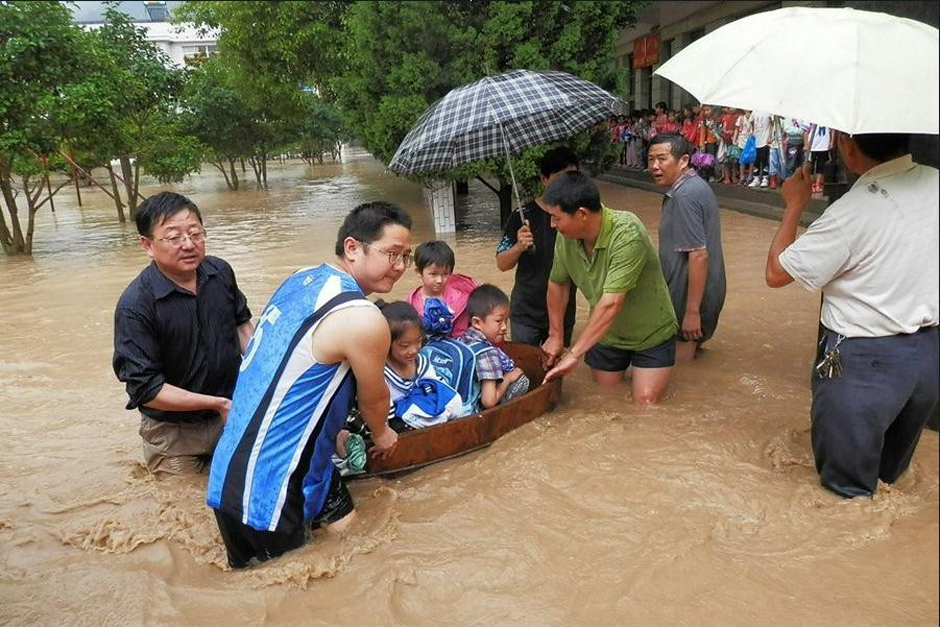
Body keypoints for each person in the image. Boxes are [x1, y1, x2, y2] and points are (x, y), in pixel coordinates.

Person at [206, 201, 410, 568]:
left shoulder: (302, 279)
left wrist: (337, 435)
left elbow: (289, 377)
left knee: (349, 533)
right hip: (268, 493)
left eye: (406, 257)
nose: (399, 268)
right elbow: (375, 399)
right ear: (352, 247)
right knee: (285, 594)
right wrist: (382, 435)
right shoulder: (363, 318)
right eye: (391, 254)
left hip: (232, 469)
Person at [765, 132, 938, 498]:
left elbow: (777, 274)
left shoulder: (852, 212)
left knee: (846, 498)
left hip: (863, 366)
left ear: (846, 143)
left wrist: (794, 204)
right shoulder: (935, 181)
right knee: (890, 479)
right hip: (926, 359)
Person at [112, 192, 253, 477]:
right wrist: (218, 403)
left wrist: (265, 376)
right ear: (148, 245)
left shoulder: (220, 272)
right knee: (185, 506)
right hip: (174, 434)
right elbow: (146, 389)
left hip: (233, 414)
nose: (189, 244)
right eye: (174, 237)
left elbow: (242, 326)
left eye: (195, 233)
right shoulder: (135, 306)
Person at [540, 172, 678, 403]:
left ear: (581, 214)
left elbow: (612, 302)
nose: (552, 225)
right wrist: (556, 335)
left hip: (651, 334)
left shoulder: (627, 234)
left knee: (644, 403)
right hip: (606, 335)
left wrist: (574, 354)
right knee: (605, 400)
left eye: (556, 217)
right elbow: (558, 282)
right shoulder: (566, 237)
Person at [648, 134, 727, 364]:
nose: (654, 166)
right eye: (651, 159)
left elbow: (698, 255)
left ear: (683, 161)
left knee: (679, 374)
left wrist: (692, 312)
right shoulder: (692, 187)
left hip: (690, 301)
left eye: (662, 159)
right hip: (698, 294)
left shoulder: (686, 195)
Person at [496, 146, 578, 347]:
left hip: (563, 310)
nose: (567, 183)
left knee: (556, 373)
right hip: (527, 314)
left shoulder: (578, 216)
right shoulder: (521, 216)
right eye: (560, 176)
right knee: (525, 371)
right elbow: (501, 263)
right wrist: (518, 247)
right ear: (544, 179)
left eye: (573, 176)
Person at [378, 301, 462, 431]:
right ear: (387, 343)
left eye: (418, 342)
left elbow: (438, 389)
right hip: (399, 422)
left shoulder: (422, 362)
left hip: (426, 412)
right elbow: (384, 415)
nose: (413, 350)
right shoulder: (382, 373)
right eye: (405, 346)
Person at [459, 284, 530, 409]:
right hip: (469, 409)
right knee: (521, 380)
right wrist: (507, 378)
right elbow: (489, 402)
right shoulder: (488, 353)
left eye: (506, 321)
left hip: (456, 400)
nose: (504, 327)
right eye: (499, 321)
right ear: (477, 322)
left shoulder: (463, 338)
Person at [407, 240, 477, 338]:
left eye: (445, 274)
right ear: (419, 272)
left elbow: (461, 333)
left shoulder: (461, 300)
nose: (439, 280)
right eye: (433, 274)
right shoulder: (411, 301)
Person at [805, 124, 834, 194]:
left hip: (823, 145)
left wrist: (831, 142)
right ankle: (811, 184)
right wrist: (806, 144)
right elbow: (806, 130)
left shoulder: (828, 118)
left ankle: (818, 184)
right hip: (813, 145)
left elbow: (832, 130)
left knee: (820, 166)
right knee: (811, 166)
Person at [749, 110, 773, 188]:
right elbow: (752, 123)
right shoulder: (754, 112)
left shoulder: (769, 111)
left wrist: (770, 136)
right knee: (756, 159)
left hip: (765, 140)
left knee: (764, 159)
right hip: (756, 139)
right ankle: (756, 178)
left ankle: (765, 178)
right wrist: (752, 133)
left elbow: (772, 124)